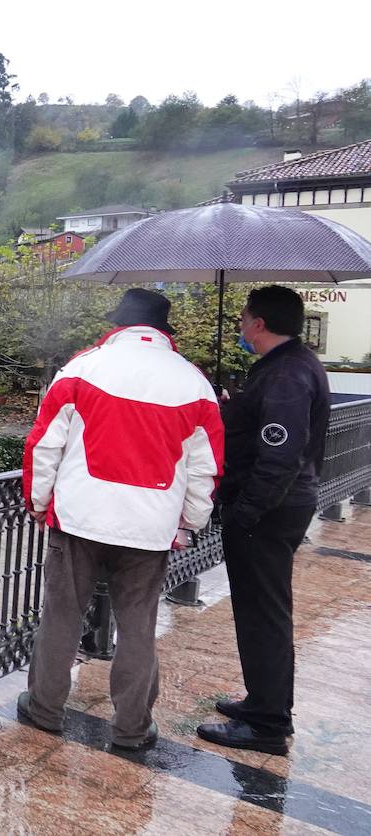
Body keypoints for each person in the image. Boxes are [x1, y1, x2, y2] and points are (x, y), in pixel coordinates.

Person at [17, 288, 223, 750]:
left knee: (62, 615)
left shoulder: (82, 368)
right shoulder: (195, 384)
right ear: (163, 330)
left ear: (118, 325)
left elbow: (44, 444)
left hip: (79, 517)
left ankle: (45, 708)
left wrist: (38, 501)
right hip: (151, 527)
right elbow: (204, 468)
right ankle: (132, 727)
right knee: (138, 626)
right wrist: (189, 523)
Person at [197, 286, 329, 756]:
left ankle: (268, 724)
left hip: (269, 512)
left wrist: (246, 512)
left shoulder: (287, 375)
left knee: (263, 614)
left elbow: (280, 454)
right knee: (261, 610)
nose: (239, 326)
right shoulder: (286, 366)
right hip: (277, 506)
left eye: (243, 318)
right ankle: (261, 702)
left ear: (258, 323)